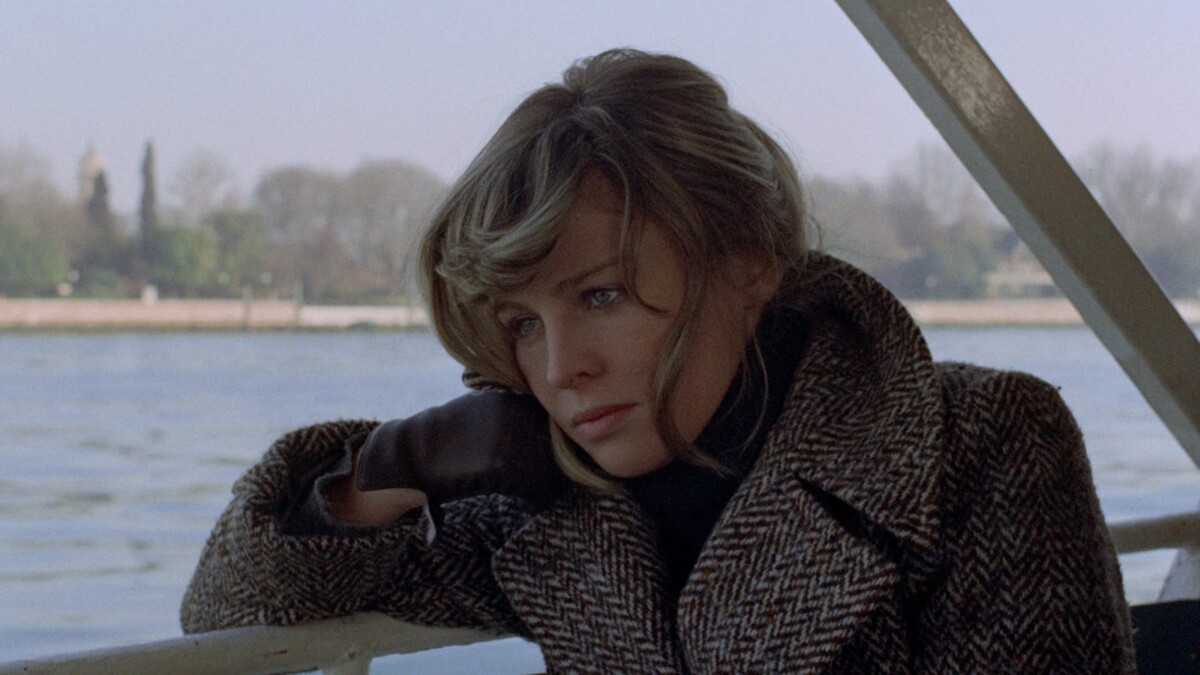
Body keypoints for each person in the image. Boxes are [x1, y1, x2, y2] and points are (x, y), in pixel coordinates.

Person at [182, 49, 1135, 672]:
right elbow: (226, 609)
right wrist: (396, 465)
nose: (562, 368)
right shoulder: (544, 500)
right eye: (523, 323)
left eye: (598, 296)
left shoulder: (979, 445)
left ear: (749, 258)